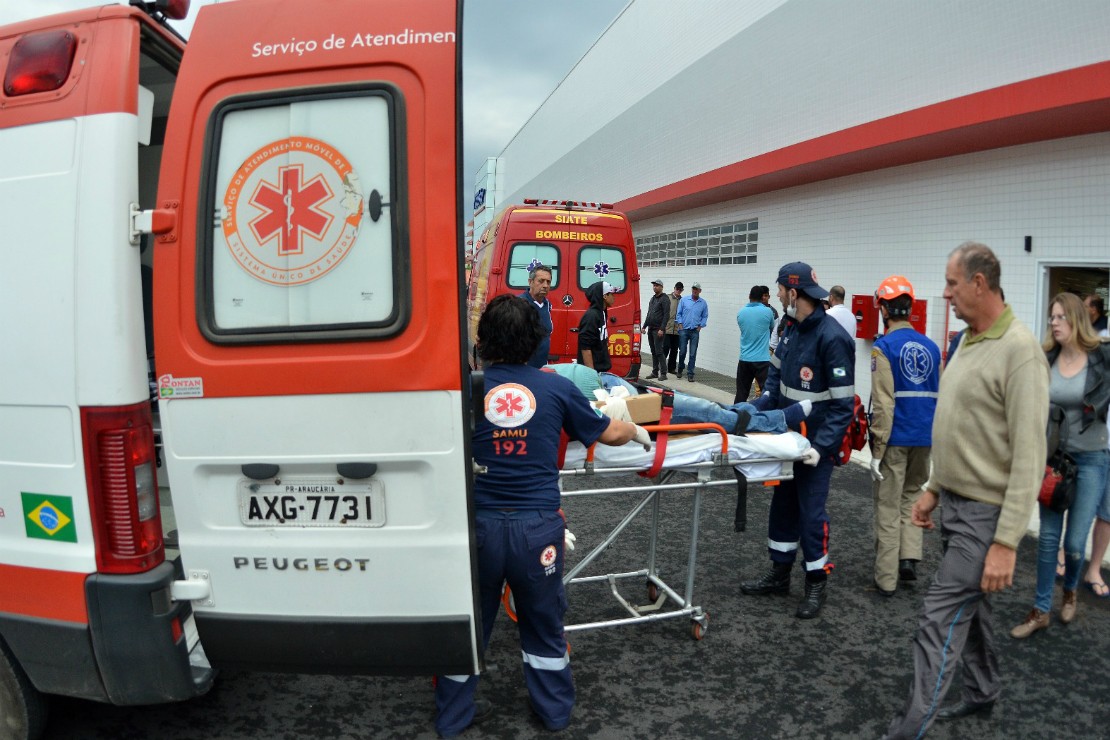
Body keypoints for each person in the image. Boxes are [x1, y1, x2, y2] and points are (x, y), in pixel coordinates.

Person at [434, 295, 650, 738]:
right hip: (537, 530)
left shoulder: (465, 389)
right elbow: (609, 433)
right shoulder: (557, 387)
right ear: (537, 340)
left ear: (483, 341)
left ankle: (451, 718)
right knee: (544, 623)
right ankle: (553, 712)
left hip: (479, 528)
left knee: (472, 624)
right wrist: (636, 430)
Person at [883, 242, 1048, 739]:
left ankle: (907, 730)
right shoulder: (967, 341)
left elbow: (1028, 456)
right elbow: (962, 429)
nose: (945, 293)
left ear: (980, 283)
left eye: (953, 283)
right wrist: (934, 488)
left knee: (939, 618)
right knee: (970, 613)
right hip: (956, 505)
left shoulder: (1020, 352)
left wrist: (1005, 542)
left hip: (987, 518)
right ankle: (982, 691)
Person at [740, 262, 854, 620]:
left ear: (793, 293)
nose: (775, 295)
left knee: (811, 514)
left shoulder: (832, 338)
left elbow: (842, 405)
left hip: (815, 448)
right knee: (783, 507)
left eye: (779, 289)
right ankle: (779, 573)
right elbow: (774, 385)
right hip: (786, 440)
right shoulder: (788, 328)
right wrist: (751, 413)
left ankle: (816, 580)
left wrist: (821, 450)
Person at [1009, 293, 1110, 638]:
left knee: (1075, 542)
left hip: (1093, 458)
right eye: (1052, 316)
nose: (1053, 322)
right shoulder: (1045, 356)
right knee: (1049, 538)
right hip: (1054, 460)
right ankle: (1040, 610)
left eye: (1060, 317)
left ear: (1077, 320)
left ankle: (1069, 590)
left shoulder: (1102, 357)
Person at [868, 276, 940, 596]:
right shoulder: (932, 347)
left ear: (884, 308)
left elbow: (884, 404)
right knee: (912, 495)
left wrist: (876, 449)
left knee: (888, 504)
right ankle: (908, 558)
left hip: (896, 437)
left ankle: (886, 577)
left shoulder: (883, 349)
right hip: (925, 437)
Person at [735, 285, 775, 403]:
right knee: (767, 394)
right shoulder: (768, 312)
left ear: (749, 296)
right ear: (762, 298)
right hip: (762, 360)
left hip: (745, 359)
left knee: (741, 394)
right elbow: (771, 327)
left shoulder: (741, 313)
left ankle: (736, 418)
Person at [577, 281, 617, 372]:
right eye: (611, 294)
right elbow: (585, 347)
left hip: (601, 370)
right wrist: (592, 374)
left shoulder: (601, 313)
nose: (614, 297)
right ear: (605, 296)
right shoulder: (591, 316)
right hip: (594, 372)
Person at [520, 265, 553, 368]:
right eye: (541, 281)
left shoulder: (547, 305)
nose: (545, 285)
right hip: (523, 368)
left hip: (541, 367)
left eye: (548, 282)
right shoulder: (519, 304)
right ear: (530, 282)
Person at [675, 282, 708, 382]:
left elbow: (705, 316)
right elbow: (678, 313)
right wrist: (680, 325)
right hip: (684, 329)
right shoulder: (684, 300)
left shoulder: (703, 303)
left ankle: (690, 373)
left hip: (694, 331)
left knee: (693, 353)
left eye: (696, 289)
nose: (694, 290)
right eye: (693, 288)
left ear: (700, 291)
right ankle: (680, 368)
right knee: (683, 352)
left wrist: (700, 326)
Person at [643, 279, 670, 379]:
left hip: (658, 329)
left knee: (659, 351)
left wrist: (662, 329)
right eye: (654, 285)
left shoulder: (665, 299)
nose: (655, 287)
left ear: (661, 287)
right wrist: (644, 326)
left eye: (657, 286)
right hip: (651, 328)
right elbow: (649, 314)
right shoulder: (653, 299)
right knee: (653, 351)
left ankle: (663, 373)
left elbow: (666, 315)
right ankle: (655, 372)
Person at [663, 282, 684, 376]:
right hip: (667, 327)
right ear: (674, 288)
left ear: (682, 290)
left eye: (680, 289)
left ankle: (671, 368)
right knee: (666, 347)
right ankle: (662, 366)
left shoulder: (683, 301)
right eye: (677, 289)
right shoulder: (667, 298)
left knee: (674, 349)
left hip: (677, 330)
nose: (678, 291)